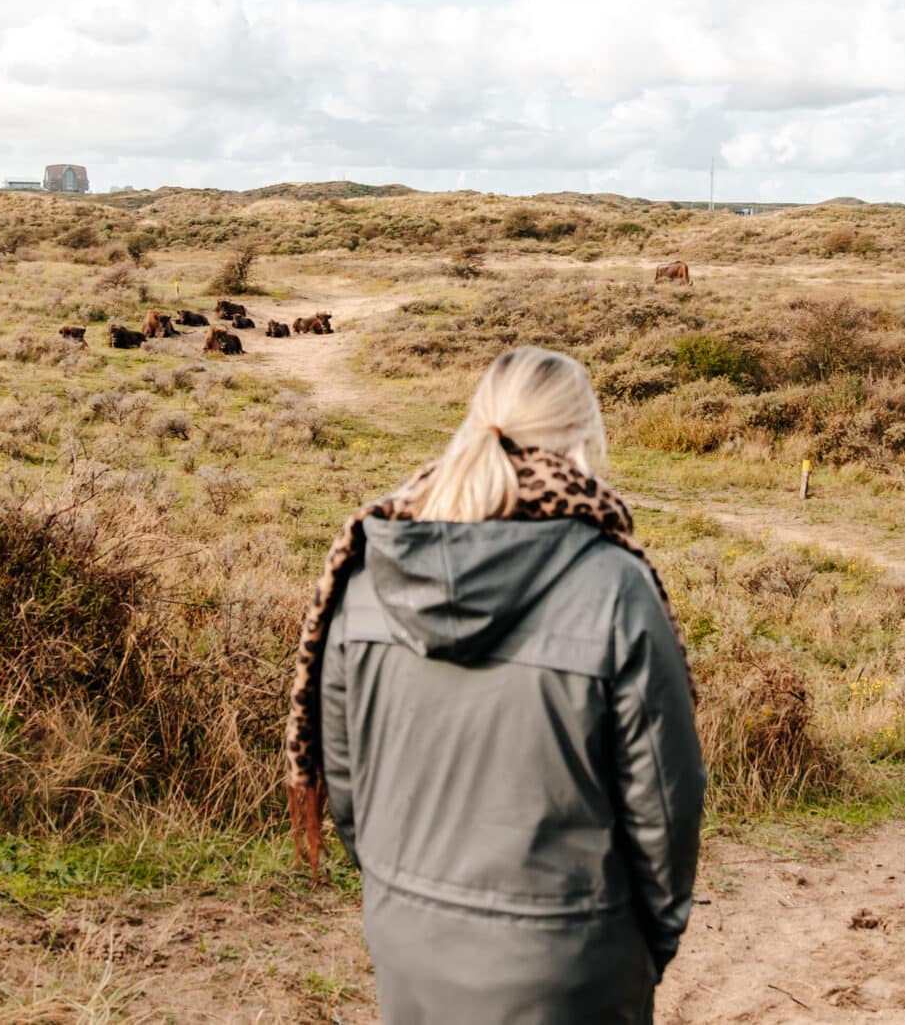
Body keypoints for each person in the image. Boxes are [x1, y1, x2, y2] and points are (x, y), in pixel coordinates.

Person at [285, 346, 705, 1023]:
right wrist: (646, 942)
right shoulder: (617, 589)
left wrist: (405, 894)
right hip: (572, 967)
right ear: (582, 442)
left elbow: (347, 785)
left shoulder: (364, 579)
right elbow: (665, 804)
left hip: (409, 950)